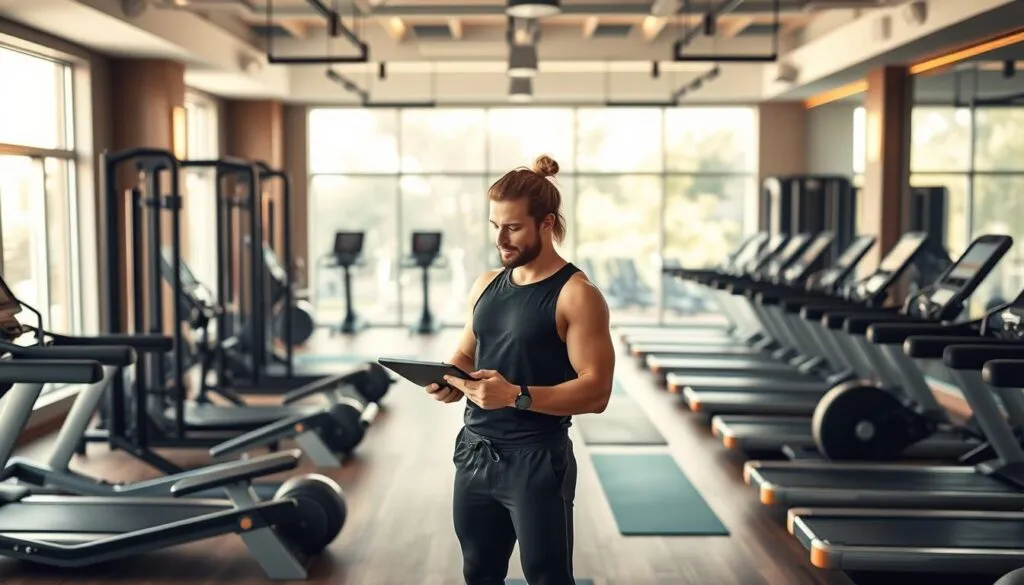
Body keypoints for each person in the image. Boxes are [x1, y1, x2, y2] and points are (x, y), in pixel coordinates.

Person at [424, 154, 615, 585]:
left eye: (513, 227)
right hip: (474, 451)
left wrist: (514, 395)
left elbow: (597, 392)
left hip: (536, 459)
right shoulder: (487, 283)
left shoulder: (577, 295)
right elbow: (466, 352)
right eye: (496, 227)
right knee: (478, 571)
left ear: (547, 224)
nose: (501, 239)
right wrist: (448, 378)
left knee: (546, 577)